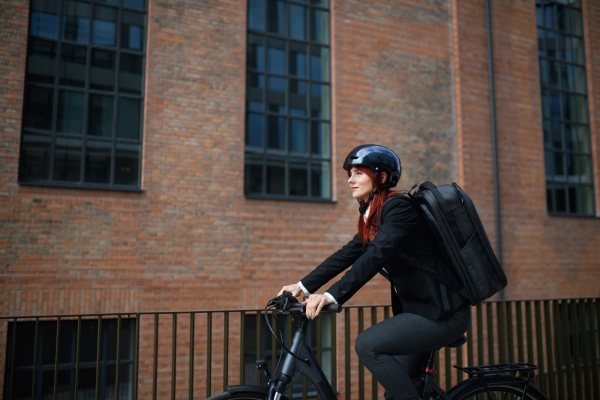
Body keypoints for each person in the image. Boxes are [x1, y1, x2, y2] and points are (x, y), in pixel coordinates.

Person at [277, 144, 471, 400]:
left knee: (368, 344)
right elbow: (347, 254)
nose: (350, 179)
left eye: (358, 173)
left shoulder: (398, 209)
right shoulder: (376, 215)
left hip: (443, 314)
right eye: (350, 173)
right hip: (423, 311)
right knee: (396, 393)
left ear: (380, 177)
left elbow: (376, 254)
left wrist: (331, 296)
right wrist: (302, 286)